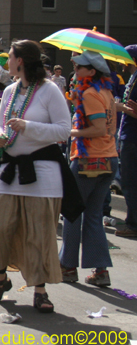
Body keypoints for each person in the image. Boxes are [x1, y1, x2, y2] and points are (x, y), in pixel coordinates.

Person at [0, 40, 72, 314]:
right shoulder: (9, 91)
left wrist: (28, 126)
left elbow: (63, 130)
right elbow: (0, 125)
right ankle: (0, 279)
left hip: (42, 174)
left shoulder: (49, 91)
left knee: (39, 233)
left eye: (9, 57)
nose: (6, 61)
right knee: (3, 228)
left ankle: (39, 290)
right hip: (10, 171)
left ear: (21, 60)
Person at [59, 51, 118, 287]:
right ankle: (100, 271)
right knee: (93, 216)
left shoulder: (91, 94)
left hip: (88, 160)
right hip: (108, 159)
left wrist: (69, 133)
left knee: (72, 212)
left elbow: (99, 128)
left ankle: (68, 267)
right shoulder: (104, 91)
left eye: (79, 67)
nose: (75, 71)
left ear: (91, 72)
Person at [115, 45, 137, 238]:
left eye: (124, 58)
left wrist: (120, 107)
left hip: (132, 138)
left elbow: (134, 109)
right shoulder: (132, 77)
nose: (121, 62)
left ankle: (133, 224)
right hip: (127, 135)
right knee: (128, 181)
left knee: (130, 182)